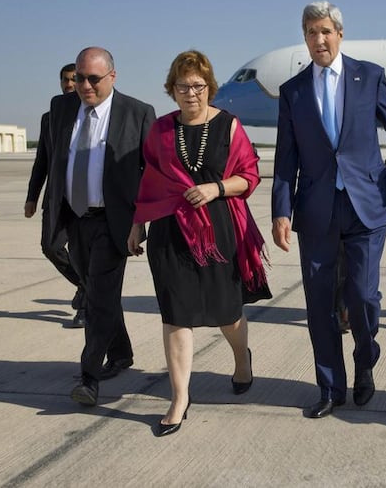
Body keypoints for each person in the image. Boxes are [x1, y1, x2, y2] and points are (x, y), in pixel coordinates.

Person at [272, 0, 386, 419]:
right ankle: (330, 388)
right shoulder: (293, 90)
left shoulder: (368, 76)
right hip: (317, 207)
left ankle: (365, 359)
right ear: (305, 38)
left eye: (326, 31)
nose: (319, 39)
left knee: (364, 297)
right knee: (319, 304)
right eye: (311, 32)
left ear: (339, 34)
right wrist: (281, 211)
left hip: (366, 205)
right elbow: (286, 158)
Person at [128, 50, 271, 437]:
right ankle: (179, 398)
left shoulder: (229, 125)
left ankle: (242, 359)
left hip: (219, 229)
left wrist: (215, 188)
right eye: (182, 85)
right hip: (170, 234)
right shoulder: (159, 130)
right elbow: (150, 183)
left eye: (198, 85)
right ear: (171, 89)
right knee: (177, 315)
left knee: (227, 312)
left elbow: (249, 176)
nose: (190, 92)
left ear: (210, 87)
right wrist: (137, 224)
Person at [46, 47, 156, 406]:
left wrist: (140, 223)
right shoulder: (61, 108)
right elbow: (50, 160)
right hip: (75, 218)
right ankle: (121, 352)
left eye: (94, 78)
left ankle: (89, 376)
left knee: (97, 300)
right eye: (79, 78)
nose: (85, 85)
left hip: (114, 223)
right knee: (99, 292)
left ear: (113, 76)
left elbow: (151, 173)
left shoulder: (137, 114)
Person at [25, 63, 87, 328]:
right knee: (50, 247)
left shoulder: (88, 114)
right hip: (55, 196)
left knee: (79, 251)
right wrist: (32, 197)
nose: (69, 84)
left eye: (74, 79)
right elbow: (42, 160)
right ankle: (85, 285)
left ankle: (85, 307)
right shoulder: (48, 117)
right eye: (65, 80)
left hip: (83, 196)